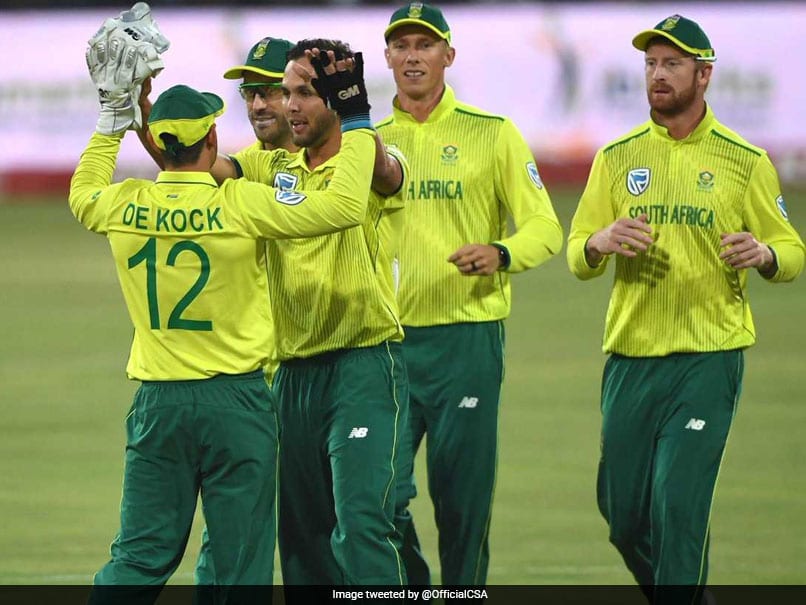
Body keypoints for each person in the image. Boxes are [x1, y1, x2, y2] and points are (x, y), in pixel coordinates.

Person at [72, 48, 382, 602]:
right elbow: (342, 209)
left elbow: (82, 193)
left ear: (160, 145)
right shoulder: (240, 203)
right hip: (237, 403)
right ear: (212, 142)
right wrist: (357, 121)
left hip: (158, 403)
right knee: (240, 564)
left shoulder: (123, 204)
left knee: (139, 556)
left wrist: (111, 120)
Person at [566, 14, 805, 603]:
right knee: (623, 518)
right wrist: (599, 242)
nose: (658, 74)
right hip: (631, 357)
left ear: (704, 74)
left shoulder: (744, 160)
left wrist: (766, 252)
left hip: (709, 357)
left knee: (679, 506)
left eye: (672, 63)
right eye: (650, 64)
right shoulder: (616, 157)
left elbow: (792, 248)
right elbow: (577, 251)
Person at [205, 39, 409, 588]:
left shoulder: (361, 155)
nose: (288, 106)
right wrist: (142, 117)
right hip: (292, 372)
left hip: (364, 363)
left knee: (362, 519)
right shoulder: (269, 166)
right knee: (302, 533)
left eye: (302, 94)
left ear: (336, 101)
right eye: (282, 93)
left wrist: (361, 117)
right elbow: (200, 167)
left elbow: (390, 175)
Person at [375, 2, 564, 588]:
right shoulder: (365, 143)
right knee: (376, 497)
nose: (412, 55)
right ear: (386, 58)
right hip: (384, 348)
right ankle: (410, 585)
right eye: (401, 45)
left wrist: (501, 252)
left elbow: (545, 228)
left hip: (467, 344)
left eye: (425, 45)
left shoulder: (493, 133)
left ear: (448, 56)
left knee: (463, 505)